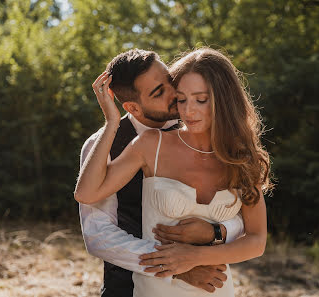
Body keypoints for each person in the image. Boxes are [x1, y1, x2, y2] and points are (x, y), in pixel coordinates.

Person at [75, 47, 270, 296]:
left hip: (213, 285)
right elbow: (98, 234)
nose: (184, 107)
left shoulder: (225, 145)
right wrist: (177, 267)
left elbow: (253, 231)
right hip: (130, 286)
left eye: (170, 82)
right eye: (161, 92)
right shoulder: (118, 146)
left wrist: (214, 233)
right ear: (133, 108)